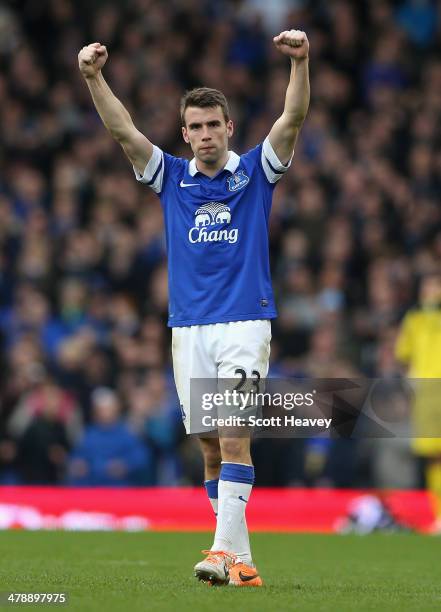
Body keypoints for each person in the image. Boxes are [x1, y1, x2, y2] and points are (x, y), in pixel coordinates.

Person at [78, 28, 310, 586]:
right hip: (188, 328)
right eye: (196, 127)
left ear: (229, 128)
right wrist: (93, 76)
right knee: (209, 448)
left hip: (244, 322)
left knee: (233, 434)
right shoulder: (172, 178)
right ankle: (243, 561)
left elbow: (293, 118)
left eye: (214, 125)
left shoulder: (254, 172)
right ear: (184, 133)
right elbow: (122, 131)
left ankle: (221, 552)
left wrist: (300, 63)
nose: (205, 135)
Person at [395, 271, 441, 533]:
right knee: (434, 457)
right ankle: (439, 516)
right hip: (426, 394)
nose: (431, 290)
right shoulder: (415, 320)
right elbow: (404, 355)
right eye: (428, 285)